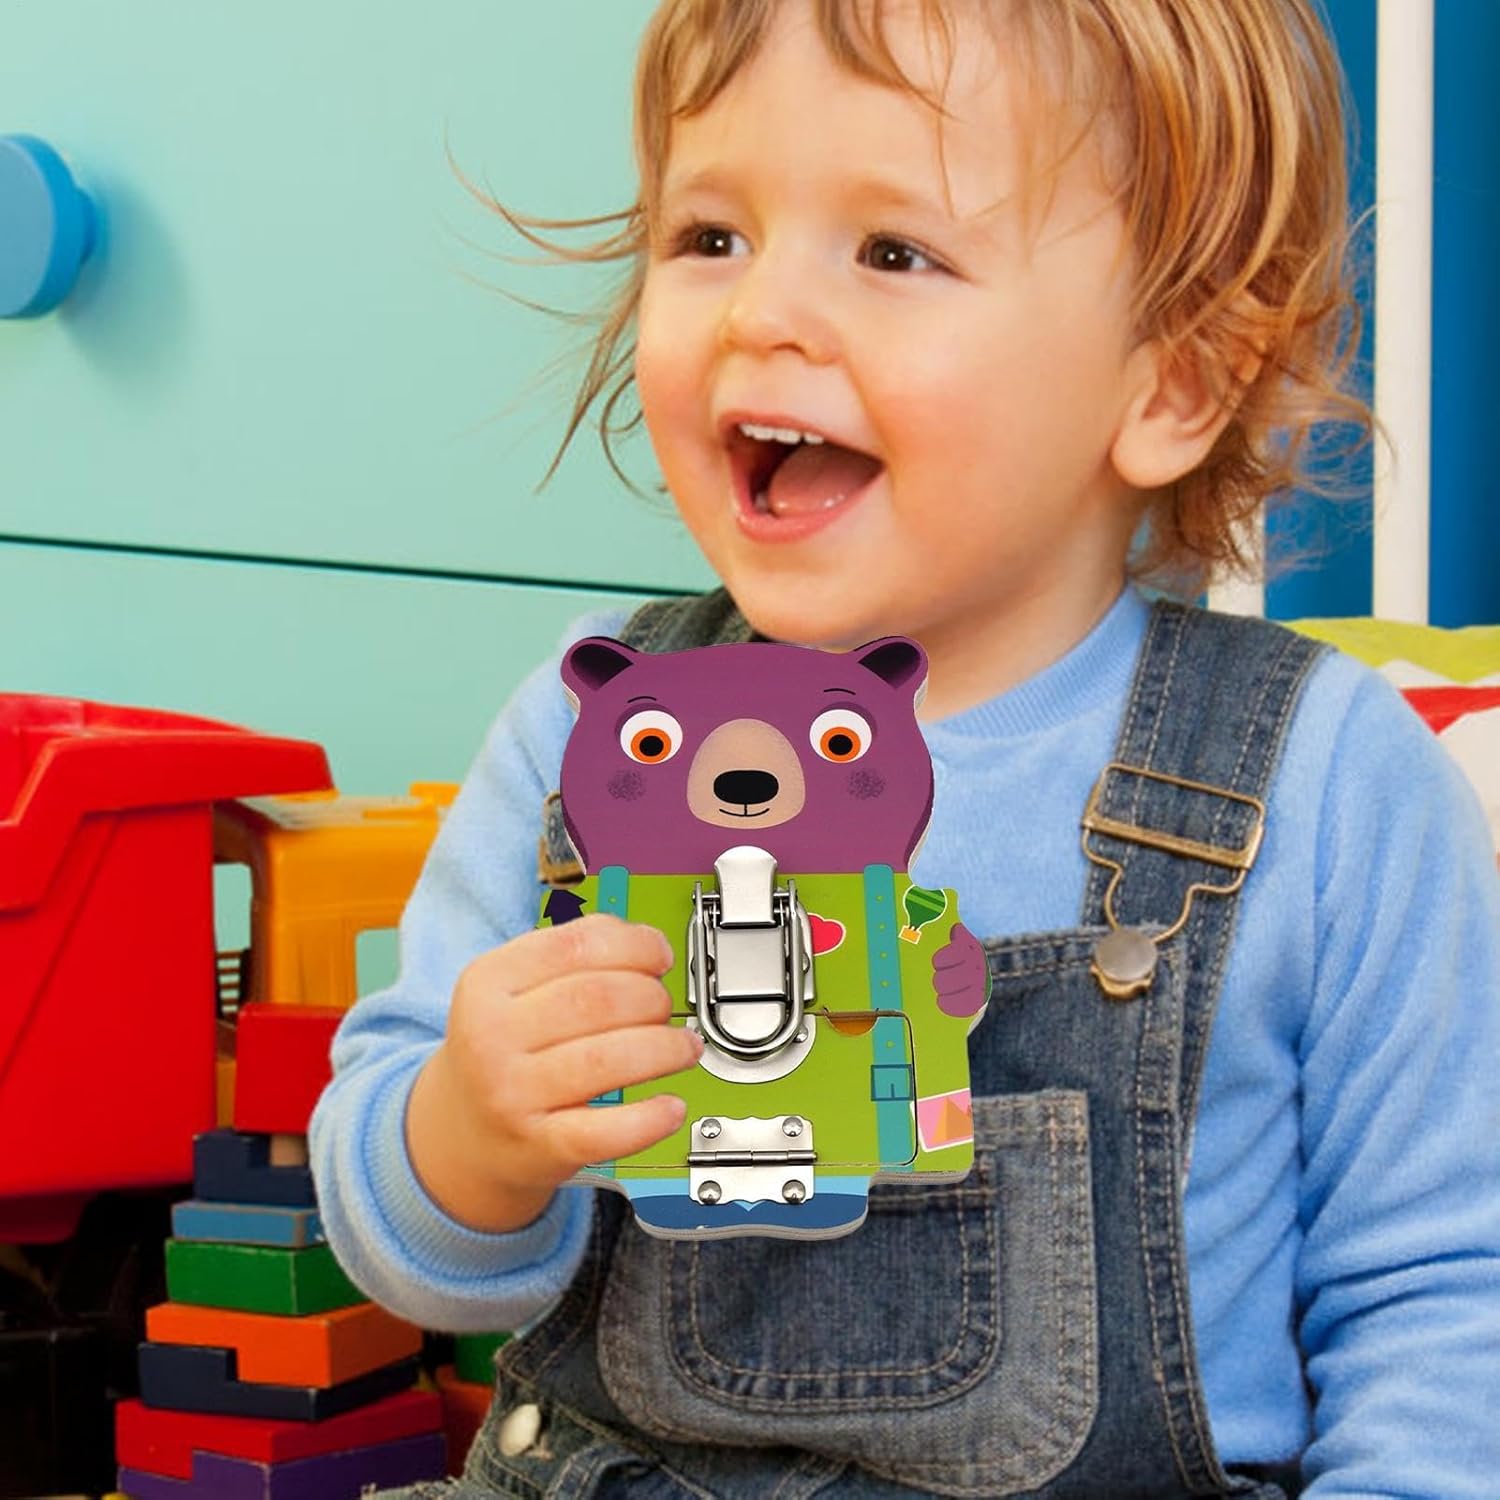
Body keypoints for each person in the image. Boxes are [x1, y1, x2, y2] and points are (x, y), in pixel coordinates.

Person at [309, 1, 1500, 1494]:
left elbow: (1446, 1304)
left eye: (891, 252)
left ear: (1173, 381)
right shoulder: (597, 725)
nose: (760, 314)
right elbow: (402, 1243)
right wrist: (468, 1136)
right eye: (710, 236)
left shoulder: (1320, 780)